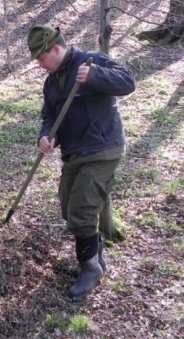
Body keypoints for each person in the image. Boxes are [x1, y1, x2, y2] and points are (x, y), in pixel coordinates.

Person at [27, 24, 135, 299]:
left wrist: (96, 76)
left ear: (55, 49)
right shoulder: (52, 82)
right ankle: (96, 255)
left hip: (102, 148)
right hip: (74, 153)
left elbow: (127, 82)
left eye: (41, 58)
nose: (40, 65)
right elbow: (49, 115)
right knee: (68, 204)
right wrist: (46, 136)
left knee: (82, 209)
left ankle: (89, 268)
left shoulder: (92, 60)